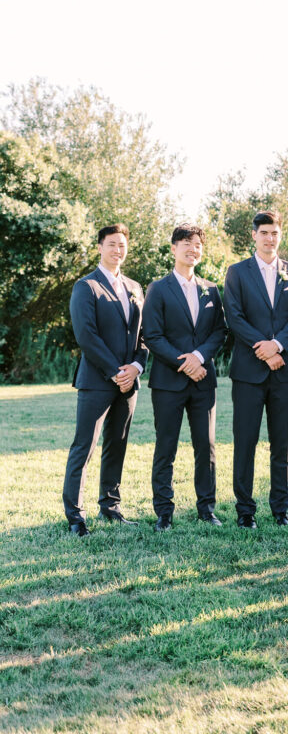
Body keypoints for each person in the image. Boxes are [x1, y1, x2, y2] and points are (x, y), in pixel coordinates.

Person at [223, 210, 288, 528]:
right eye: (264, 233)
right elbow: (234, 317)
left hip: (284, 371)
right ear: (254, 236)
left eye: (275, 233)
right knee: (245, 443)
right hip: (248, 372)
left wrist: (279, 346)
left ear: (280, 236)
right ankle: (245, 511)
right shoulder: (237, 272)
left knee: (282, 444)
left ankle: (280, 509)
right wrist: (264, 348)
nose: (270, 238)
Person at [63, 223, 148, 535]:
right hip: (97, 380)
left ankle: (110, 507)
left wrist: (136, 368)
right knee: (84, 447)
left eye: (122, 244)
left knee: (118, 444)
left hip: (129, 383)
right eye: (112, 244)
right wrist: (116, 372)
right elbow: (87, 336)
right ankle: (75, 516)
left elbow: (144, 336)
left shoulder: (135, 288)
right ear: (99, 247)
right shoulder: (86, 287)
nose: (118, 250)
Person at [142, 224, 227, 531]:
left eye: (198, 245)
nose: (194, 249)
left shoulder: (212, 289)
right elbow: (151, 334)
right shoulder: (158, 288)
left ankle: (206, 508)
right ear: (174, 248)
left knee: (206, 447)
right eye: (187, 244)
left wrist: (200, 358)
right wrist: (186, 362)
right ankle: (164, 512)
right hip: (168, 382)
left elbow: (220, 330)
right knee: (166, 447)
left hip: (204, 381)